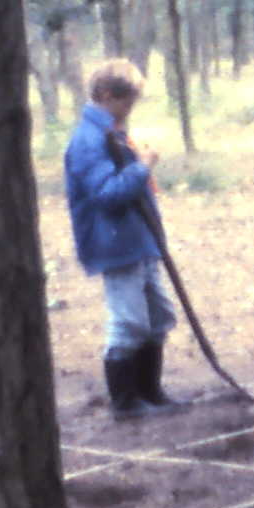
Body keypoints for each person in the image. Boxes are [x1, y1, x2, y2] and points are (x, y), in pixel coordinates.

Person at [64, 59, 188, 420]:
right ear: (106, 95)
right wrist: (142, 166)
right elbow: (108, 193)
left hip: (140, 241)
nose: (130, 109)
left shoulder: (112, 132)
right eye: (126, 101)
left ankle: (151, 391)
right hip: (115, 245)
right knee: (129, 321)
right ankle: (125, 402)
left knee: (158, 316)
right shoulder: (88, 141)